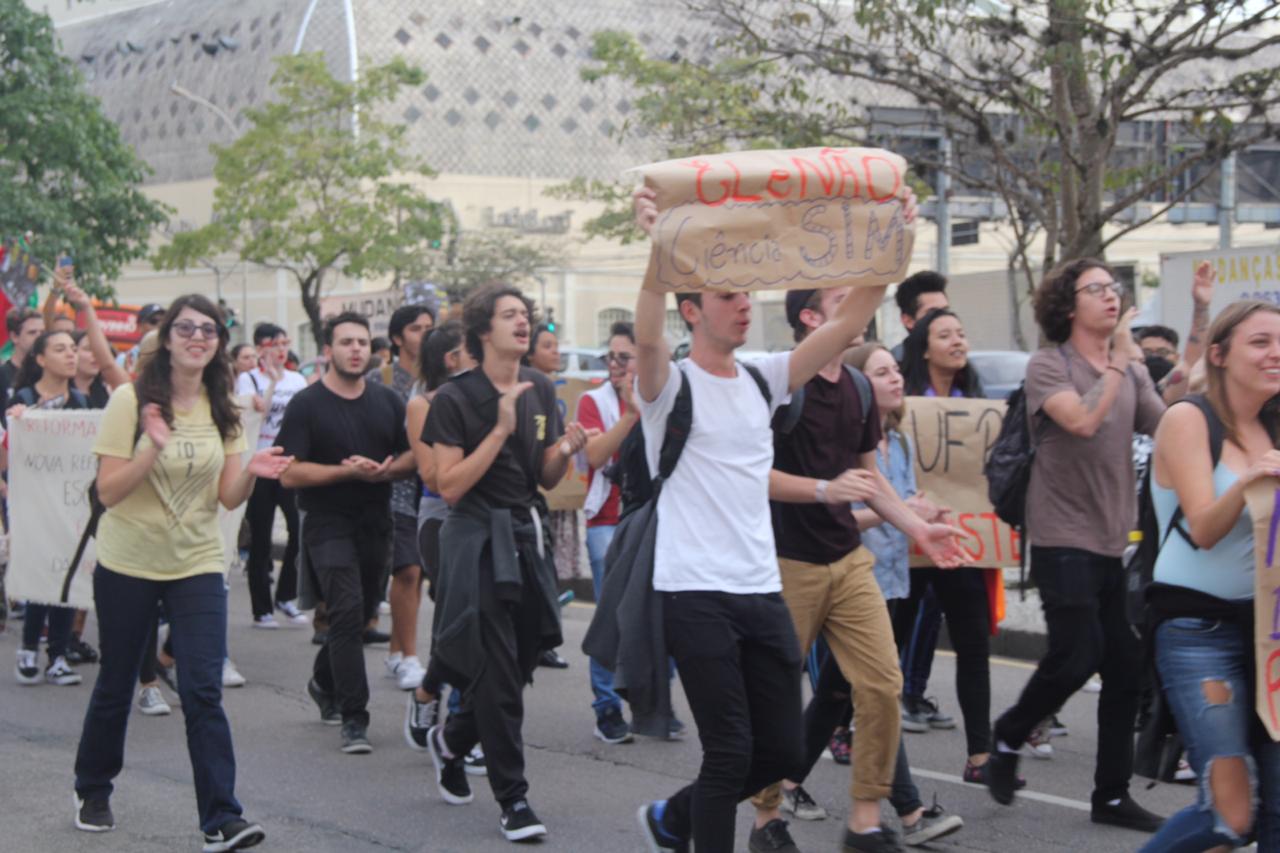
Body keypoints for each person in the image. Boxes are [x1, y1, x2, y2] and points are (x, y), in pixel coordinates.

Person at [630, 183, 920, 853]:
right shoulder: (667, 387)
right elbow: (647, 337)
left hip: (761, 589)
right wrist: (657, 251)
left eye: (746, 295)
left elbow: (848, 326)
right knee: (730, 751)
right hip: (695, 590)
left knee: (783, 750)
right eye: (728, 295)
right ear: (691, 309)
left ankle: (673, 819)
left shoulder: (764, 377)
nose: (744, 305)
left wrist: (890, 242)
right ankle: (690, 831)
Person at [748, 291, 966, 853]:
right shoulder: (781, 388)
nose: (861, 306)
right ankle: (766, 818)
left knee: (882, 685)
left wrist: (918, 529)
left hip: (847, 561)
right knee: (775, 695)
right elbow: (749, 476)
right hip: (786, 562)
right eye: (843, 299)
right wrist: (823, 490)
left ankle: (865, 821)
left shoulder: (860, 388)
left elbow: (871, 478)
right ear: (811, 318)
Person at [72, 294, 288, 851]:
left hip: (196, 563)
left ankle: (222, 817)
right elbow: (109, 493)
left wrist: (255, 474)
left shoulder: (224, 408)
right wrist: (150, 447)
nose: (198, 336)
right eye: (186, 328)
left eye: (208, 330)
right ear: (167, 338)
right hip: (128, 563)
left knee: (203, 689)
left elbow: (225, 495)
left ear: (218, 342)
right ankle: (93, 787)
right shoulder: (131, 399)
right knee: (118, 681)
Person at [987, 259, 1166, 833]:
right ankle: (1011, 732)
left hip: (1113, 541)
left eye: (1114, 289)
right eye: (1097, 290)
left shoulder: (1128, 370)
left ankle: (1110, 797)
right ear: (1069, 307)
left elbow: (1164, 424)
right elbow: (1084, 421)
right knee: (1079, 653)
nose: (1111, 297)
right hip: (1063, 536)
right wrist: (1119, 363)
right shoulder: (1049, 365)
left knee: (1125, 665)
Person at [421, 284, 589, 842]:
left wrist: (564, 449)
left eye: (526, 315)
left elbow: (541, 476)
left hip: (524, 532)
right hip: (475, 538)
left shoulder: (541, 387)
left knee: (527, 655)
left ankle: (451, 739)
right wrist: (498, 428)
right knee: (496, 674)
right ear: (482, 330)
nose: (523, 323)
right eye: (510, 315)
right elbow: (448, 486)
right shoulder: (453, 399)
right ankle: (513, 800)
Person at [1138, 300, 1280, 853]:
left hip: (1269, 632)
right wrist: (1248, 483)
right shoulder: (1189, 418)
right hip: (1197, 630)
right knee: (1229, 813)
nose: (1276, 354)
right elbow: (1202, 528)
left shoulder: (1275, 422)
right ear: (1218, 354)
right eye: (1261, 342)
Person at [277, 311, 414, 754]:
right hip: (326, 522)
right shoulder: (307, 404)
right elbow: (289, 473)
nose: (356, 349)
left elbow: (413, 456)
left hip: (377, 520)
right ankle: (355, 718)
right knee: (346, 608)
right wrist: (343, 471)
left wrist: (387, 469)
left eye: (361, 343)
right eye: (346, 342)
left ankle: (323, 681)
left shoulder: (387, 401)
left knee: (358, 617)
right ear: (328, 351)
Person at [9, 329, 90, 688]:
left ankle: (57, 655)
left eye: (74, 348)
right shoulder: (22, 399)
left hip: (70, 506)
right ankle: (28, 648)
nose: (71, 355)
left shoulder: (82, 405)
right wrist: (17, 423)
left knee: (67, 575)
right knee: (40, 573)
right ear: (41, 359)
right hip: (33, 504)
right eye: (60, 349)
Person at [577, 321, 641, 743]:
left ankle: (650, 698)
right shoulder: (594, 400)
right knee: (609, 619)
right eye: (610, 357)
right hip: (606, 521)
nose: (614, 365)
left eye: (624, 357)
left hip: (651, 520)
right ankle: (606, 707)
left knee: (652, 616)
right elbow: (596, 455)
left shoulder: (662, 395)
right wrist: (632, 411)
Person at [369, 303, 435, 691]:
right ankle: (410, 657)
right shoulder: (382, 379)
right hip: (392, 485)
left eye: (430, 327)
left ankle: (397, 651)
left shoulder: (439, 380)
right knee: (406, 570)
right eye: (415, 328)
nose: (424, 334)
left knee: (416, 573)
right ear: (397, 338)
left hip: (430, 487)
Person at [235, 324, 308, 629]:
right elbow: (248, 418)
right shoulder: (248, 379)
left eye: (284, 342)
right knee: (261, 538)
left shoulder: (297, 379)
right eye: (273, 343)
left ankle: (286, 595)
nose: (280, 349)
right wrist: (269, 387)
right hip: (260, 464)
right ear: (260, 348)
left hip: (288, 465)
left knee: (299, 531)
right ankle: (261, 608)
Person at [524, 321, 577, 668]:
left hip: (540, 508)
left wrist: (566, 451)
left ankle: (539, 641)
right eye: (547, 345)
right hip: (499, 517)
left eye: (557, 345)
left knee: (544, 573)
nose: (555, 352)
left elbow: (550, 468)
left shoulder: (547, 391)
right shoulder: (499, 388)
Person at [889, 271, 949, 363]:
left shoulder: (961, 365)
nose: (944, 318)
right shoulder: (895, 365)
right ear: (908, 321)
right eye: (933, 313)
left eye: (945, 311)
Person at [1, 307, 45, 406]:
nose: (39, 337)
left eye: (42, 332)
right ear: (14, 337)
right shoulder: (2, 374)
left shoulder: (48, 373)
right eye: (32, 332)